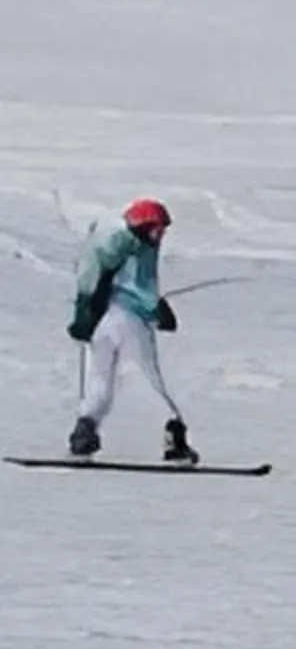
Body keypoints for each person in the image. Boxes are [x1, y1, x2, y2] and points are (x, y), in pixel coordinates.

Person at [68, 196, 195, 463]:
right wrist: (158, 309)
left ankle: (84, 433)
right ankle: (175, 439)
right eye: (157, 227)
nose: (161, 234)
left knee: (99, 380)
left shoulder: (112, 247)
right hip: (131, 321)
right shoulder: (137, 248)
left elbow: (93, 279)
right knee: (149, 378)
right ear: (142, 226)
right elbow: (140, 290)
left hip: (102, 323)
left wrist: (84, 315)